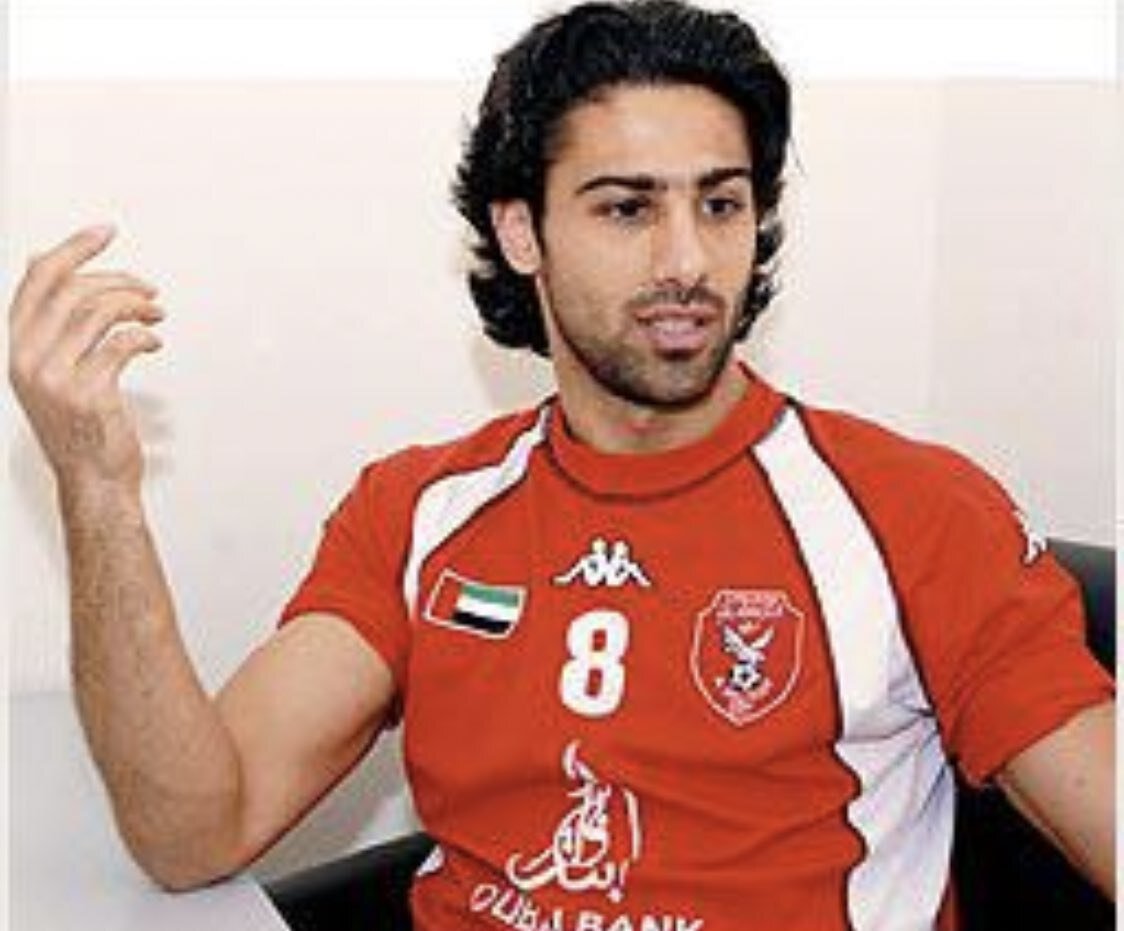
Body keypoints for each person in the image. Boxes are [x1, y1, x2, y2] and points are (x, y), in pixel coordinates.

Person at [6, 1, 1114, 928]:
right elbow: (194, 830)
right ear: (521, 232)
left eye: (720, 203)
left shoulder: (914, 509)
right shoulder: (417, 508)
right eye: (627, 208)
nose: (687, 260)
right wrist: (96, 490)